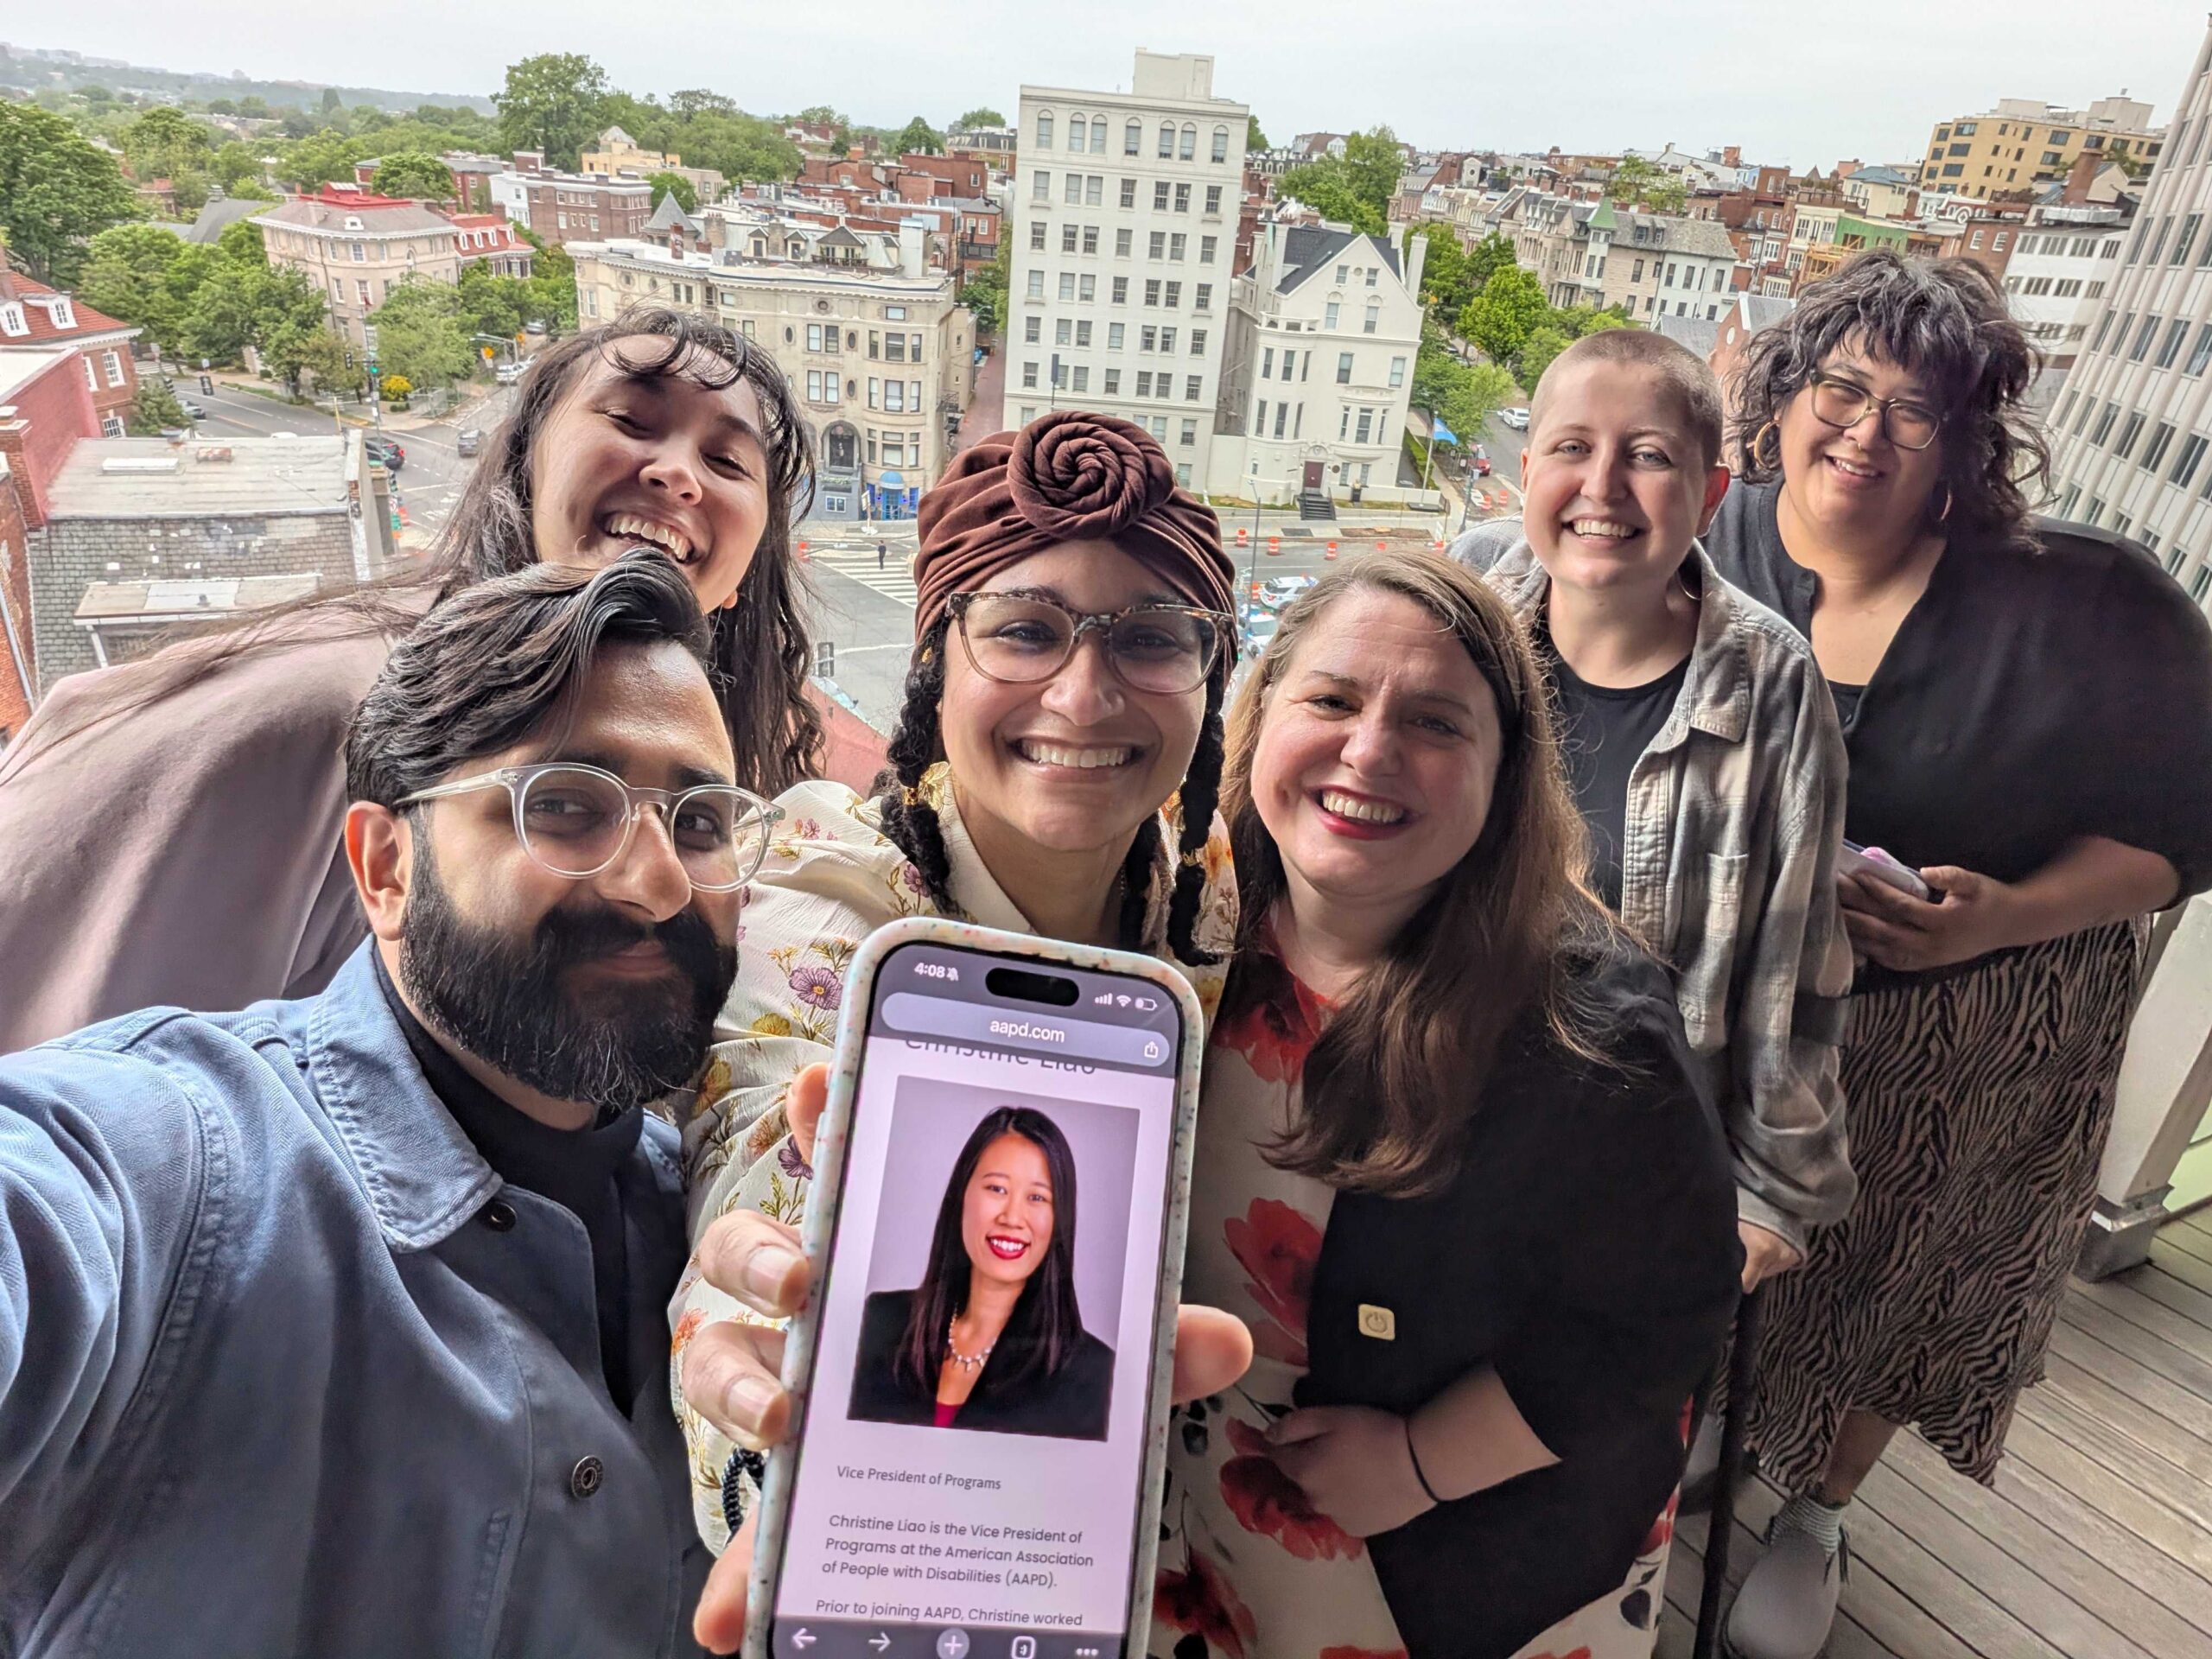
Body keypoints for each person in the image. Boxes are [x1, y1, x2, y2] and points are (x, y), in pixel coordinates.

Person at [0, 554, 779, 1655]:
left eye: (698, 822)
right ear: (384, 869)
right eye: (563, 806)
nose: (656, 883)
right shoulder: (179, 1162)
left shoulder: (714, 1230)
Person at [1699, 251, 2212, 1659]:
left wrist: (2003, 914)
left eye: (1914, 411)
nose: (1862, 431)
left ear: (1970, 440)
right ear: (1786, 390)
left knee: (1903, 1273)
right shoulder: (1722, 531)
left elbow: (2183, 830)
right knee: (1731, 1244)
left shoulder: (2099, 602)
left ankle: (1822, 1508)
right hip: (1746, 1000)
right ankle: (1722, 1440)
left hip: (1981, 1019)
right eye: (1840, 388)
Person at [670, 410, 1243, 1554]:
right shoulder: (824, 908)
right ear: (937, 669)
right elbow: (763, 1186)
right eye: (1026, 632)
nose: (1086, 696)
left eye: (1151, 637)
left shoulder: (1206, 890)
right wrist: (776, 1451)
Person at [1154, 552, 1742, 1659]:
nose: (1369, 751)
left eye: (1434, 722)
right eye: (1330, 699)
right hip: (1204, 1487)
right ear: (1260, 714)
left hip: (1456, 1532)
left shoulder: (1591, 1031)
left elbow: (1659, 1319)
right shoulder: (1178, 919)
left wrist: (1423, 1461)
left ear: (1504, 774)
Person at [0, 308, 819, 1053]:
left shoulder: (684, 765)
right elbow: (76, 1116)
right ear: (526, 464)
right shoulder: (313, 715)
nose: (680, 475)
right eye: (630, 420)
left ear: (746, 568)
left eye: (725, 460)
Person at [1452, 329, 1855, 1298]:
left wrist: (1770, 1197)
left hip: (1633, 1161)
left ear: (1709, 496)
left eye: (1648, 456)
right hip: (1442, 1120)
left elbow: (1793, 962)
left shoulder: (1770, 681)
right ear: (1523, 468)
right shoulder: (1457, 622)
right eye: (1571, 448)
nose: (1602, 486)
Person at [849, 1105, 1114, 1439]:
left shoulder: (1096, 1374)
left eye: (1037, 1197)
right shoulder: (880, 1321)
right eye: (997, 1189)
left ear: (1060, 1218)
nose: (1013, 1217)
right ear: (962, 1195)